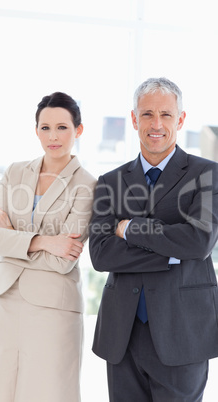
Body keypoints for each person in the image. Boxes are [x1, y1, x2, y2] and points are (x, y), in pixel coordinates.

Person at [89, 77, 218, 401]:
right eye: (147, 114)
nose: (156, 124)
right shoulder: (110, 181)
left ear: (181, 119)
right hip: (123, 334)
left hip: (183, 331)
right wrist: (172, 252)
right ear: (134, 119)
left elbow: (199, 242)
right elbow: (102, 254)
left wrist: (130, 229)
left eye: (166, 115)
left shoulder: (207, 174)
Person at [0, 92, 96, 402]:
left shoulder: (87, 184)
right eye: (45, 128)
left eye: (62, 127)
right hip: (7, 299)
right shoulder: (15, 172)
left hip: (53, 307)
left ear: (78, 131)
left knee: (48, 392)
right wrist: (45, 241)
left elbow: (63, 261)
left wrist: (13, 237)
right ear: (36, 130)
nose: (52, 136)